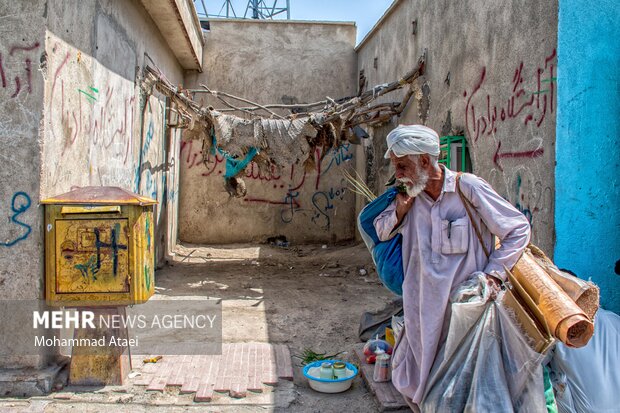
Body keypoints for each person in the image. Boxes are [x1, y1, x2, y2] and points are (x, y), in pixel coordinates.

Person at [373, 124, 531, 411]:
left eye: (402, 165)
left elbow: (518, 229)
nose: (398, 174)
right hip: (421, 306)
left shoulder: (467, 187)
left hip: (463, 310)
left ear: (424, 160)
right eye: (395, 166)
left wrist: (494, 273)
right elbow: (381, 231)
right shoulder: (409, 196)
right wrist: (400, 210)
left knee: (463, 383)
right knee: (420, 378)